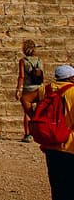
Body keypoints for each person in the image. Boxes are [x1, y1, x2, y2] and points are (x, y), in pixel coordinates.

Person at [28, 64, 74, 198]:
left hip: (50, 144)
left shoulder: (47, 89)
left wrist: (35, 118)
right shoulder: (72, 92)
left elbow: (25, 99)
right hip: (69, 145)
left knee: (57, 187)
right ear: (71, 78)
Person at [16, 40, 45, 143]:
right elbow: (42, 75)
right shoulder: (40, 60)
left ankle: (28, 134)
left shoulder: (23, 61)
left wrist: (18, 89)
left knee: (27, 112)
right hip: (40, 88)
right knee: (40, 111)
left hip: (28, 89)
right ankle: (41, 132)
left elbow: (21, 76)